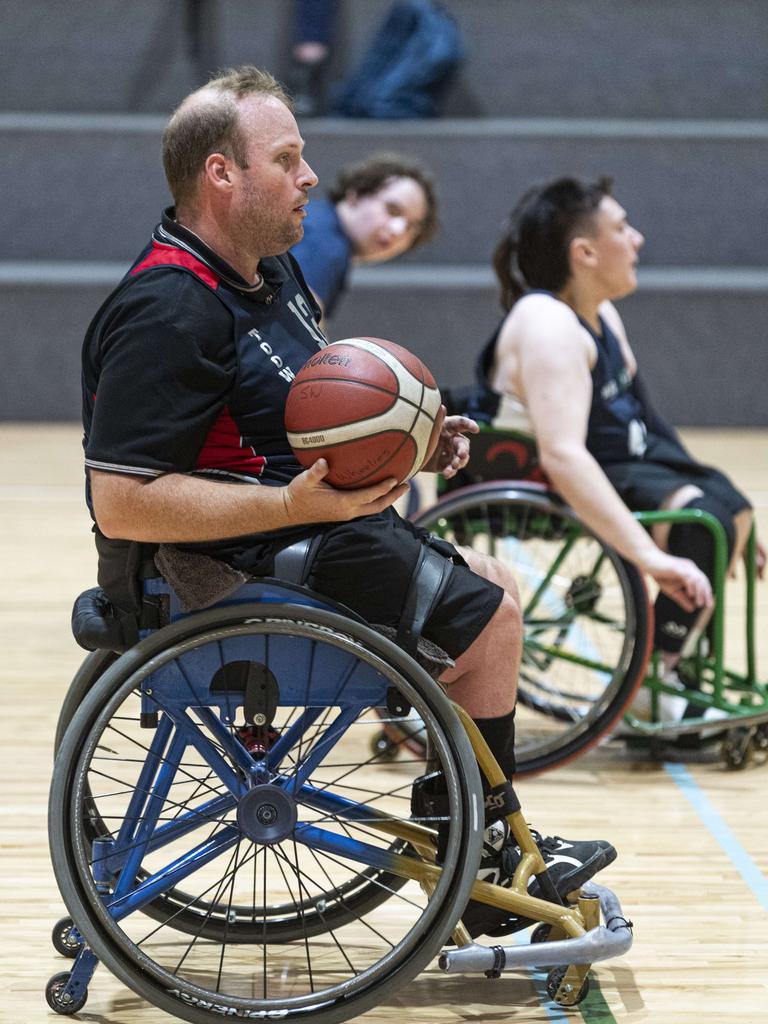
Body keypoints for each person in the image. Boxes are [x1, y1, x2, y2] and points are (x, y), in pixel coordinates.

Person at [80, 67, 616, 939]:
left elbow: (310, 413)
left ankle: (467, 838)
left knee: (498, 587)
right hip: (221, 568)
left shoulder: (271, 271)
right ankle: (474, 870)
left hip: (299, 530)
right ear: (222, 174)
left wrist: (409, 437)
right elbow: (124, 504)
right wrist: (296, 502)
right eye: (287, 157)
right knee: (490, 625)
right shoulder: (168, 308)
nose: (310, 177)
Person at [471, 175, 763, 721]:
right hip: (551, 474)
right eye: (623, 228)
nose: (638, 239)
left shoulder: (600, 314)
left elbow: (646, 420)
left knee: (727, 508)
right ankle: (655, 683)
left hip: (619, 459)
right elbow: (563, 454)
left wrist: (732, 506)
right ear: (583, 252)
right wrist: (648, 555)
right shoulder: (548, 324)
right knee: (703, 523)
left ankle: (671, 666)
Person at [289, 153, 437, 320]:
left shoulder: (316, 220)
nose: (399, 230)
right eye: (392, 210)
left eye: (411, 227)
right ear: (356, 195)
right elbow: (295, 319)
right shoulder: (329, 246)